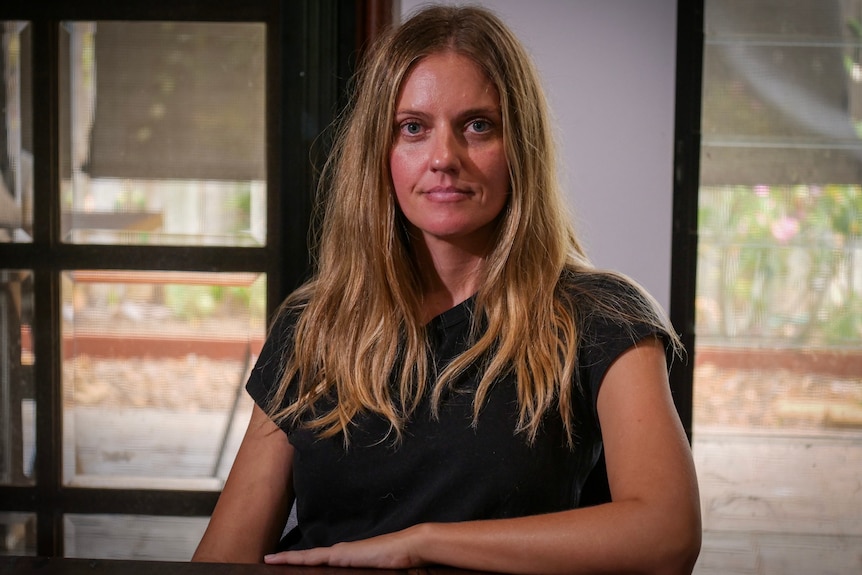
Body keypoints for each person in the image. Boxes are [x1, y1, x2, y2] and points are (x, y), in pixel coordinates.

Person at [192, 4, 702, 574]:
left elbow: (667, 533)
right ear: (379, 154)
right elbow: (223, 557)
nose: (443, 158)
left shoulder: (603, 316)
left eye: (478, 125)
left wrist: (422, 543)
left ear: (520, 147)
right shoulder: (314, 324)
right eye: (413, 128)